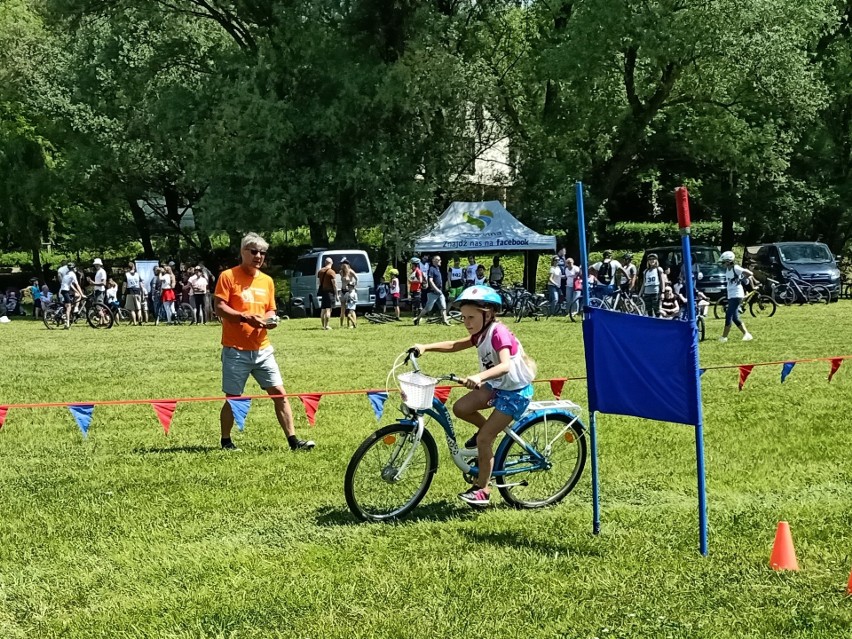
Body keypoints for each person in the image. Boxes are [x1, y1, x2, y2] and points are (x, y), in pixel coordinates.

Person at [412, 286, 536, 507]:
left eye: (471, 317)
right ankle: (489, 431)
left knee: (483, 439)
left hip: (514, 392)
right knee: (461, 408)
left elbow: (505, 365)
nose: (467, 322)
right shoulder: (479, 333)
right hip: (497, 386)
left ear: (488, 314)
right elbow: (455, 344)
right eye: (463, 318)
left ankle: (483, 490)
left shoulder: (498, 332)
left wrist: (479, 377)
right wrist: (425, 347)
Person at [214, 232, 315, 452]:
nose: (258, 256)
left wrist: (271, 320)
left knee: (280, 394)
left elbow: (270, 309)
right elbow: (219, 307)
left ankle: (293, 441)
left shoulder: (267, 281)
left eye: (262, 253)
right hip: (235, 350)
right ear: (243, 252)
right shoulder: (228, 276)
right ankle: (226, 442)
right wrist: (244, 317)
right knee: (234, 398)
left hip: (263, 349)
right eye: (254, 251)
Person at [718, 250, 754, 342]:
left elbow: (750, 273)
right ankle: (747, 334)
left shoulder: (736, 268)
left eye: (723, 262)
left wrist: (742, 277)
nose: (722, 264)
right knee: (735, 317)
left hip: (737, 295)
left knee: (728, 315)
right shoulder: (728, 269)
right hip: (731, 295)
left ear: (728, 261)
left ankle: (724, 337)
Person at [414, 255, 450, 326]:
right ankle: (417, 319)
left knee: (443, 307)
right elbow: (430, 281)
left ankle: (445, 321)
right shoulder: (431, 269)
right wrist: (436, 289)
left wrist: (440, 290)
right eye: (438, 260)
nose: (440, 261)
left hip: (439, 292)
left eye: (440, 260)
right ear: (433, 261)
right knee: (428, 308)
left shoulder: (438, 269)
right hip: (432, 292)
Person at [638, 253, 666, 317]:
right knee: (649, 309)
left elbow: (662, 281)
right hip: (647, 292)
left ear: (656, 260)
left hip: (655, 292)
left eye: (653, 259)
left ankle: (658, 322)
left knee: (657, 309)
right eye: (650, 259)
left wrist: (663, 292)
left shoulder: (659, 269)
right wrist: (640, 293)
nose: (651, 260)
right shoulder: (645, 271)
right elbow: (644, 283)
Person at [59, 261, 85, 329]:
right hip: (65, 291)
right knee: (69, 307)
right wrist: (82, 294)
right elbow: (77, 285)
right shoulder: (72, 274)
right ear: (73, 268)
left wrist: (77, 292)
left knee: (77, 296)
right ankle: (67, 324)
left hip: (65, 290)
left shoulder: (67, 274)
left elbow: (70, 284)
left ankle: (75, 309)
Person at [316, 256, 337, 330]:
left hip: (323, 292)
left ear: (325, 263)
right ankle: (327, 325)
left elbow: (319, 282)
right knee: (328, 309)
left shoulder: (320, 271)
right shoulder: (331, 272)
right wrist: (336, 294)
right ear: (331, 263)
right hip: (330, 292)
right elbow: (334, 284)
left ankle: (322, 325)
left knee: (323, 309)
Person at [338, 258, 358, 328]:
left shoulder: (350, 271)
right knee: (342, 308)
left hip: (349, 291)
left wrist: (354, 286)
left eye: (342, 264)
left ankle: (353, 323)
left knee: (350, 308)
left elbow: (357, 278)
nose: (340, 265)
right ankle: (341, 324)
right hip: (343, 291)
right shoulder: (341, 272)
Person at [124, 262, 145, 326]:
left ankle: (134, 322)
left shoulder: (126, 275)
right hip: (137, 292)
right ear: (134, 267)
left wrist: (123, 293)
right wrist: (143, 293)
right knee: (139, 308)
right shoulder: (137, 275)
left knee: (132, 309)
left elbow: (124, 285)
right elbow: (141, 285)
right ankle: (140, 320)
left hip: (130, 292)